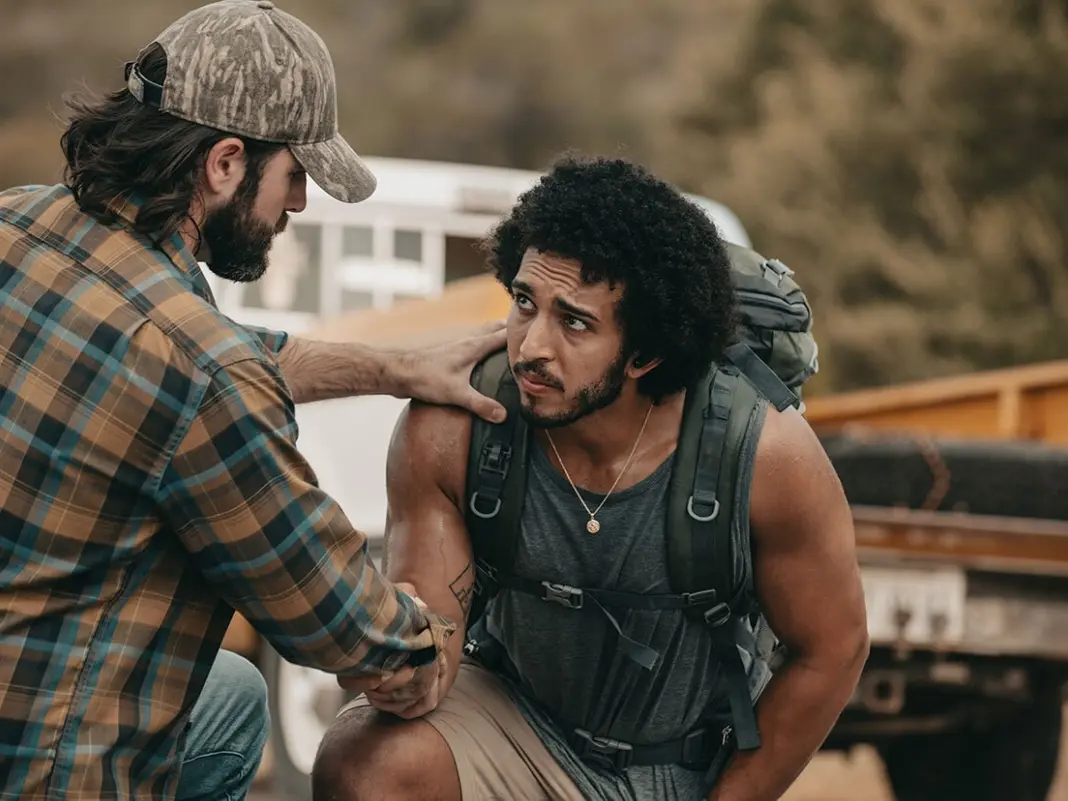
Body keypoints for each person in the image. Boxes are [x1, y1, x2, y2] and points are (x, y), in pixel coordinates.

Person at [0, 2, 505, 800]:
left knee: (231, 694)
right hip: (54, 769)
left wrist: (401, 369)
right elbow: (358, 639)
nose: (298, 205)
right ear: (226, 163)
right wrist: (433, 628)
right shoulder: (206, 375)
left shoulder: (18, 224)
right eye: (295, 175)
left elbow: (209, 354)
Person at [312, 155, 871, 801]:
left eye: (573, 321)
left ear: (647, 352)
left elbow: (833, 648)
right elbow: (432, 639)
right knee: (369, 763)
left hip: (689, 764)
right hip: (519, 729)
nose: (531, 347)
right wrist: (399, 663)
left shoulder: (765, 454)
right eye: (524, 302)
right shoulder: (457, 425)